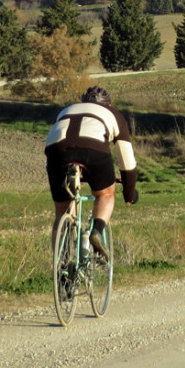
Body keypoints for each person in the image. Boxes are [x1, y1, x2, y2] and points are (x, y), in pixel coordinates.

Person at [45, 86, 138, 258]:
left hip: (55, 150)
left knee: (62, 211)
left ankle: (62, 267)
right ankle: (96, 231)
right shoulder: (115, 115)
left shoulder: (67, 110)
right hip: (92, 149)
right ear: (109, 104)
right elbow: (127, 163)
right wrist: (129, 194)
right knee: (106, 194)